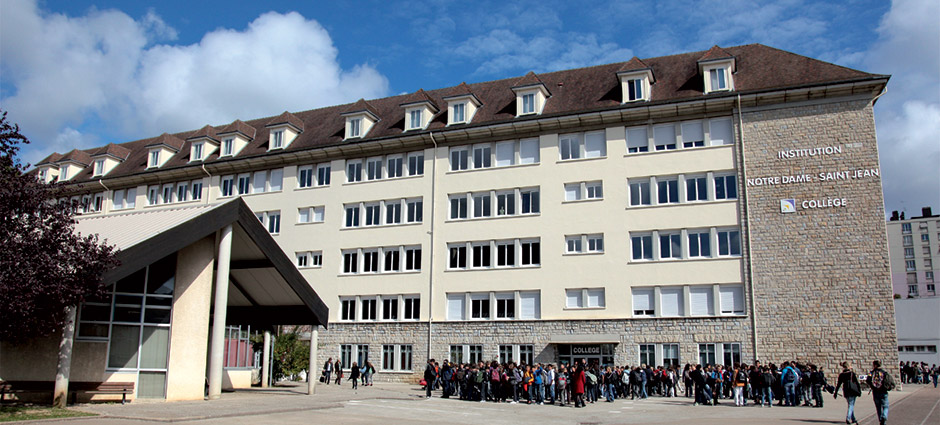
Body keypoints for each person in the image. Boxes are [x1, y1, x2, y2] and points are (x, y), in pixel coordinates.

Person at [866, 360, 895, 425]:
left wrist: (872, 386)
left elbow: (868, 380)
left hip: (875, 391)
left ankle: (881, 420)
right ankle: (884, 416)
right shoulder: (884, 372)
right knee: (885, 406)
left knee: (878, 407)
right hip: (883, 391)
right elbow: (889, 381)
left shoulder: (871, 372)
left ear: (875, 365)